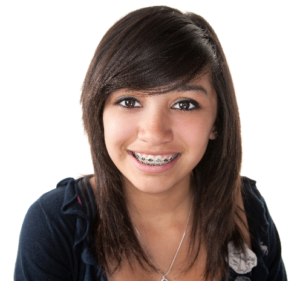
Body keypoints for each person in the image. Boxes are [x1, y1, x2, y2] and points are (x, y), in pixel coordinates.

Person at [14, 6, 287, 281]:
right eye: (129, 101)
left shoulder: (248, 210)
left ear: (217, 121)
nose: (154, 133)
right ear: (99, 113)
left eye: (184, 104)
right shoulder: (54, 226)